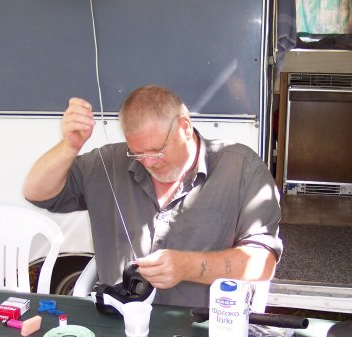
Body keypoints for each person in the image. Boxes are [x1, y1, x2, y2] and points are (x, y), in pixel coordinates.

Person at [23, 85, 282, 307]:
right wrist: (69, 146)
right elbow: (36, 192)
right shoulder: (109, 162)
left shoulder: (240, 168)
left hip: (205, 328)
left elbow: (263, 263)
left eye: (157, 151)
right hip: (120, 322)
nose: (148, 162)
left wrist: (186, 266)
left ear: (185, 127)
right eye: (137, 152)